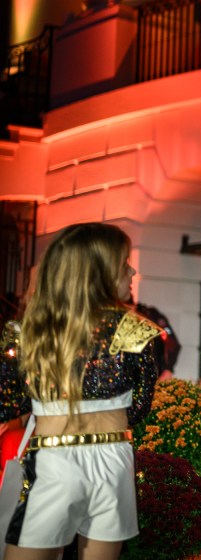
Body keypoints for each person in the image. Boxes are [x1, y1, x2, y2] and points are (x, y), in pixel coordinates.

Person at [0, 222, 163, 560]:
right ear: (98, 272)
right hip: (113, 458)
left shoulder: (27, 334)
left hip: (51, 460)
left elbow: (7, 402)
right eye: (123, 263)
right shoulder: (137, 333)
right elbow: (140, 406)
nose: (132, 271)